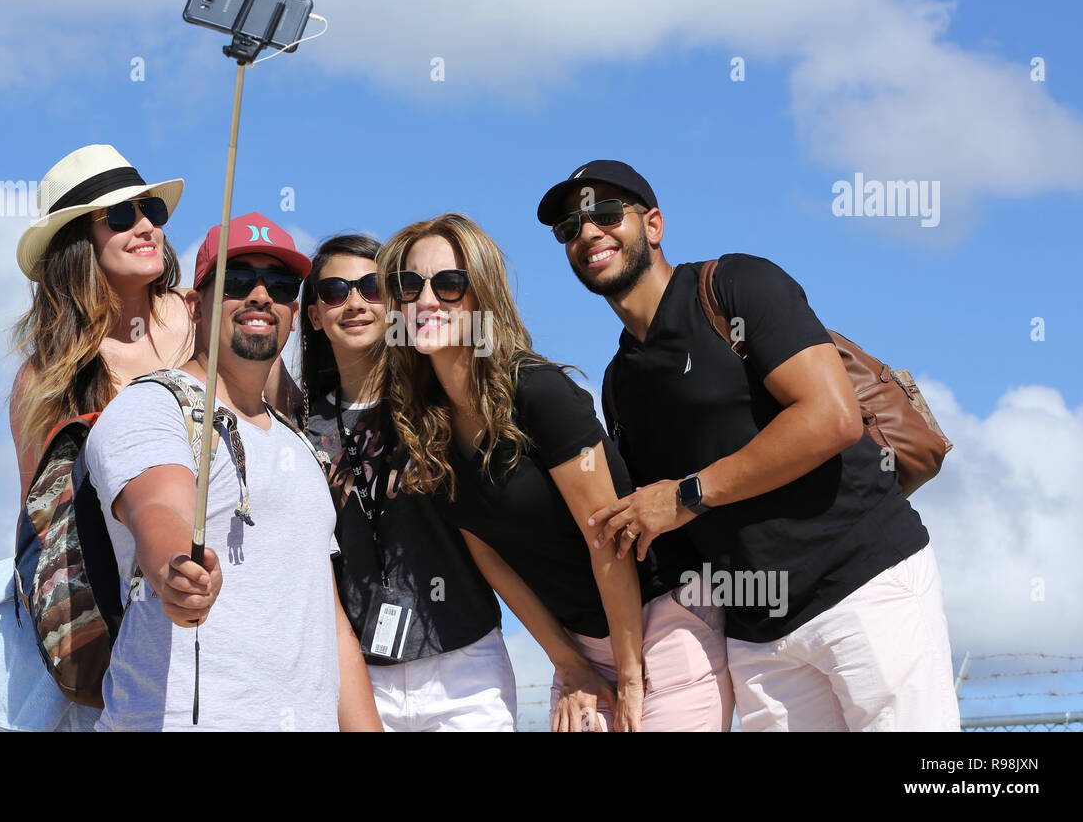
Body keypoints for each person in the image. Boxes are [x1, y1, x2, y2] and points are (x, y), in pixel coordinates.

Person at [538, 159, 960, 731]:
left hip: (864, 585)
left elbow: (832, 417)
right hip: (755, 639)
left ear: (654, 226)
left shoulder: (735, 284)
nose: (588, 232)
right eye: (570, 227)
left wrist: (687, 494)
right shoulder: (617, 382)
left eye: (607, 214)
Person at [378, 214, 733, 732]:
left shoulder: (539, 393)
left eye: (450, 284)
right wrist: (569, 663)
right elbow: (490, 557)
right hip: (582, 642)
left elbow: (604, 536)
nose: (427, 300)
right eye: (411, 286)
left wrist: (631, 676)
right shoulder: (426, 426)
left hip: (661, 624)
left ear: (483, 298)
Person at [0, 143, 193, 732]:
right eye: (119, 215)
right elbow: (43, 526)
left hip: (209, 575)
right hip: (111, 608)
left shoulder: (202, 319)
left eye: (151, 212)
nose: (145, 227)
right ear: (75, 244)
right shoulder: (42, 379)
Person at [81, 213, 382, 730]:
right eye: (237, 282)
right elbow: (157, 507)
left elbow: (329, 626)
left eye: (282, 286)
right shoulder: (152, 407)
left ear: (293, 312)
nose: (262, 296)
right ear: (194, 308)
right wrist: (177, 571)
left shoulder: (298, 446)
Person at [298, 233, 517, 731]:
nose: (354, 302)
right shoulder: (299, 429)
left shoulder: (439, 402)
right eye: (333, 292)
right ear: (314, 315)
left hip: (465, 665)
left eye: (371, 287)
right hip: (360, 680)